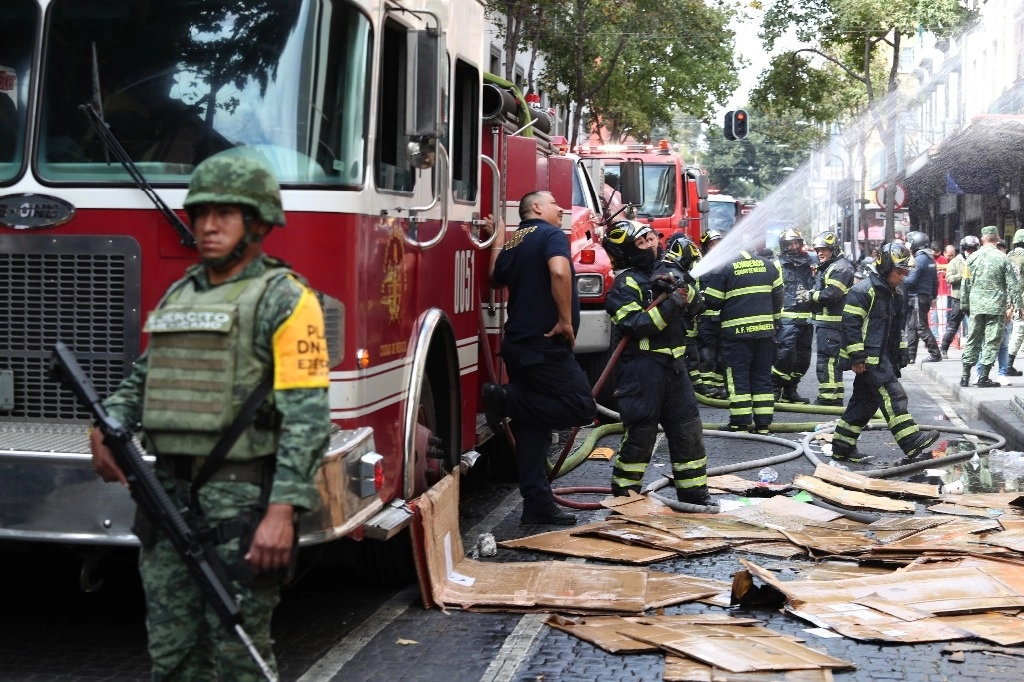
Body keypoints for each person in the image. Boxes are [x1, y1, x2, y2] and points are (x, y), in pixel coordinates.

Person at [89, 154, 331, 680]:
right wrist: (106, 421)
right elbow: (145, 378)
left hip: (242, 504)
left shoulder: (287, 300)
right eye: (200, 214)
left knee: (237, 656)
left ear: (259, 223)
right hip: (167, 501)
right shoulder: (182, 292)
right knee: (172, 658)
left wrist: (282, 511)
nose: (207, 226)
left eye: (225, 214)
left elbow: (307, 418)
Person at [483, 190, 597, 525]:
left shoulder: (516, 241)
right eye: (553, 203)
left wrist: (496, 239)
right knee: (581, 406)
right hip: (544, 347)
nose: (561, 207)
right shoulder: (550, 235)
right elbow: (560, 272)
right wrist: (564, 320)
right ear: (536, 208)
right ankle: (507, 400)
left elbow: (494, 278)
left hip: (518, 345)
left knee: (533, 429)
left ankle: (536, 504)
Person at [603, 222, 710, 504]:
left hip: (675, 370)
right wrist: (670, 303)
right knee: (640, 437)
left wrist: (684, 292)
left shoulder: (671, 269)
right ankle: (625, 498)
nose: (652, 244)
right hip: (642, 371)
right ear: (626, 251)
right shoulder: (624, 285)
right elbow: (636, 325)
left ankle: (695, 495)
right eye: (642, 242)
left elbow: (700, 305)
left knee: (688, 433)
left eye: (652, 238)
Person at [833, 243, 939, 463]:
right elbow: (851, 326)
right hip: (870, 360)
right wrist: (857, 357)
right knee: (894, 397)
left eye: (905, 273)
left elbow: (895, 329)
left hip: (883, 358)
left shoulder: (894, 294)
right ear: (885, 267)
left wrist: (901, 351)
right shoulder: (863, 290)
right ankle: (912, 442)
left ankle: (842, 446)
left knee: (864, 404)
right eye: (899, 272)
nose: (903, 277)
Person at [701, 246, 784, 433]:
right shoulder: (769, 265)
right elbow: (778, 296)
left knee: (737, 377)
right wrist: (774, 321)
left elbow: (712, 300)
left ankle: (740, 422)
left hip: (736, 335)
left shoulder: (726, 267)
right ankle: (763, 424)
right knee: (762, 376)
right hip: (765, 333)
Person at [960, 226, 1021, 387]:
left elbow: (965, 283)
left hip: (977, 306)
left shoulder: (972, 259)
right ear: (998, 238)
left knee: (973, 339)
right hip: (996, 306)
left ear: (982, 239)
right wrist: (1018, 305)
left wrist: (964, 304)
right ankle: (983, 377)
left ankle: (965, 376)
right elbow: (1013, 285)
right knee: (992, 341)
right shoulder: (1003, 258)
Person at [803, 231, 855, 406]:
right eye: (818, 250)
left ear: (833, 249)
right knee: (832, 362)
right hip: (829, 323)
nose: (820, 253)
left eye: (824, 249)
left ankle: (828, 398)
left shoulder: (839, 267)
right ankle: (836, 395)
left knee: (827, 361)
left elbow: (831, 294)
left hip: (832, 323)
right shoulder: (832, 266)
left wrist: (810, 296)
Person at [770, 229, 815, 403]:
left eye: (796, 243)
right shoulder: (777, 265)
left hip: (806, 318)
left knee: (803, 359)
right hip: (786, 319)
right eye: (790, 244)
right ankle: (775, 387)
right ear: (783, 246)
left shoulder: (810, 264)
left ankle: (791, 389)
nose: (794, 247)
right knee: (785, 355)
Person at [695, 229, 727, 399]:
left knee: (723, 354)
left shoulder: (727, 265)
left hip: (724, 317)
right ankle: (708, 386)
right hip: (706, 317)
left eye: (717, 244)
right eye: (711, 244)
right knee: (708, 352)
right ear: (705, 247)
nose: (715, 247)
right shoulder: (700, 266)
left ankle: (719, 387)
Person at [902, 231, 942, 363]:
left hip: (917, 297)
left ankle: (935, 353)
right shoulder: (929, 258)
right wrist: (934, 296)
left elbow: (911, 280)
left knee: (920, 326)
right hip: (924, 296)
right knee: (912, 327)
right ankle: (910, 356)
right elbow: (935, 282)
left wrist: (899, 278)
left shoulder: (919, 259)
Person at [939, 235, 978, 357]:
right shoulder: (956, 262)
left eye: (972, 250)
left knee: (976, 325)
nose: (970, 252)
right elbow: (949, 278)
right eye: (968, 249)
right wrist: (963, 275)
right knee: (953, 325)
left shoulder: (978, 261)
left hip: (974, 298)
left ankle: (974, 350)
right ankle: (944, 348)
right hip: (959, 298)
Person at [1005, 229, 1024, 374]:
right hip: (1020, 299)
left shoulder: (1008, 255)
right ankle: (1008, 364)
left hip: (1007, 297)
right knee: (1019, 330)